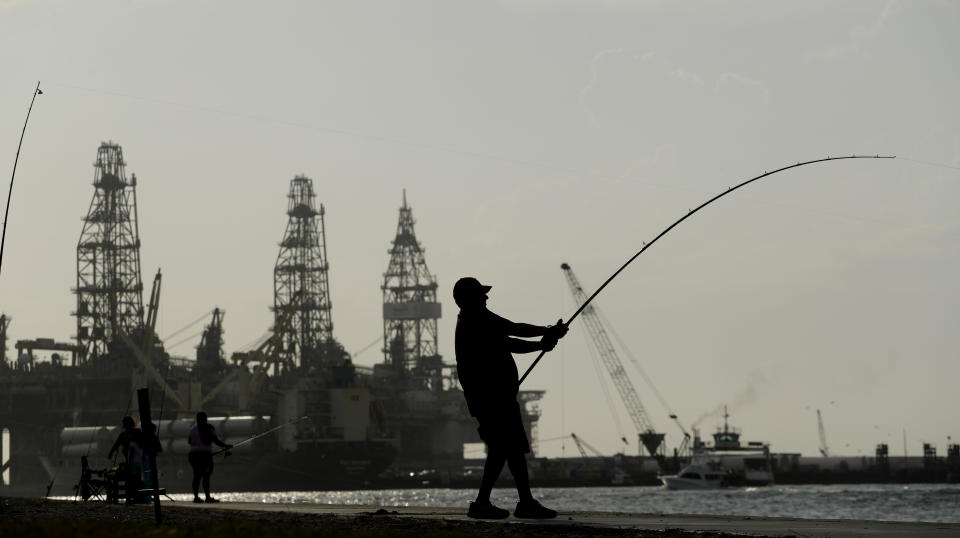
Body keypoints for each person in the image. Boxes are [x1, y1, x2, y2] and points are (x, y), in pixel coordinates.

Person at [453, 276, 568, 519]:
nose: (486, 296)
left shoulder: (476, 320)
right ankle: (486, 502)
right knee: (502, 449)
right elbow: (514, 331)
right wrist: (547, 335)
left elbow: (509, 341)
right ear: (467, 299)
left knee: (511, 449)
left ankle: (522, 502)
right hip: (493, 400)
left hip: (496, 399)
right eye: (480, 294)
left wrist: (542, 342)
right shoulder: (477, 319)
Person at [187, 411, 232, 503]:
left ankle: (196, 497)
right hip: (204, 456)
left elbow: (189, 441)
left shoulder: (193, 429)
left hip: (193, 455)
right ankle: (207, 497)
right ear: (205, 419)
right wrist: (225, 446)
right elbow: (215, 440)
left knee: (196, 476)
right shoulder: (208, 428)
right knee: (206, 476)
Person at [106, 415, 144, 504]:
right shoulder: (132, 433)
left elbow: (118, 445)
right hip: (135, 462)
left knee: (131, 480)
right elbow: (117, 445)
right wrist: (111, 453)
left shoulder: (130, 435)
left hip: (134, 463)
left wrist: (111, 453)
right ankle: (132, 498)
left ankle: (129, 498)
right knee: (133, 480)